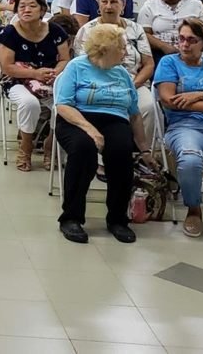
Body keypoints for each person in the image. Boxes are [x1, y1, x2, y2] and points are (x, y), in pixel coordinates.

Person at [54, 23, 152, 243]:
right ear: (105, 49)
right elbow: (63, 105)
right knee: (83, 149)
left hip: (114, 119)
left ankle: (117, 219)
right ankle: (71, 217)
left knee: (121, 150)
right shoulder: (76, 67)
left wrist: (144, 149)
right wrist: (90, 129)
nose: (127, 53)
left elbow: (134, 114)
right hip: (76, 119)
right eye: (123, 48)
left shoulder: (123, 74)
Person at [154, 18, 203, 237]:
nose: (184, 44)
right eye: (181, 39)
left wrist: (201, 95)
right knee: (191, 159)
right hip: (185, 125)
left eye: (191, 40)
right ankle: (194, 209)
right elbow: (169, 99)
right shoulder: (169, 62)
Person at [0, 0, 72, 172]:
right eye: (21, 6)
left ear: (42, 10)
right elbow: (7, 67)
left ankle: (50, 145)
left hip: (50, 78)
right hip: (16, 80)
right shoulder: (9, 33)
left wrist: (54, 73)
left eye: (32, 6)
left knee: (64, 104)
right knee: (30, 103)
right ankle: (26, 146)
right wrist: (36, 74)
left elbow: (64, 59)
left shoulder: (55, 31)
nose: (26, 10)